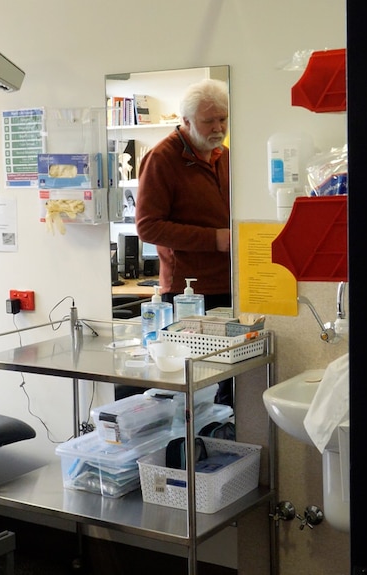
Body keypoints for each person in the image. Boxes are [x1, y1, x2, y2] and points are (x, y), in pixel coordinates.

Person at [134, 78, 232, 404]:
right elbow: (148, 227)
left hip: (233, 284)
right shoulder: (161, 159)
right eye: (209, 121)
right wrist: (214, 240)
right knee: (195, 386)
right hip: (189, 293)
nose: (218, 127)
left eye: (223, 119)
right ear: (187, 121)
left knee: (230, 384)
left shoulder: (226, 156)